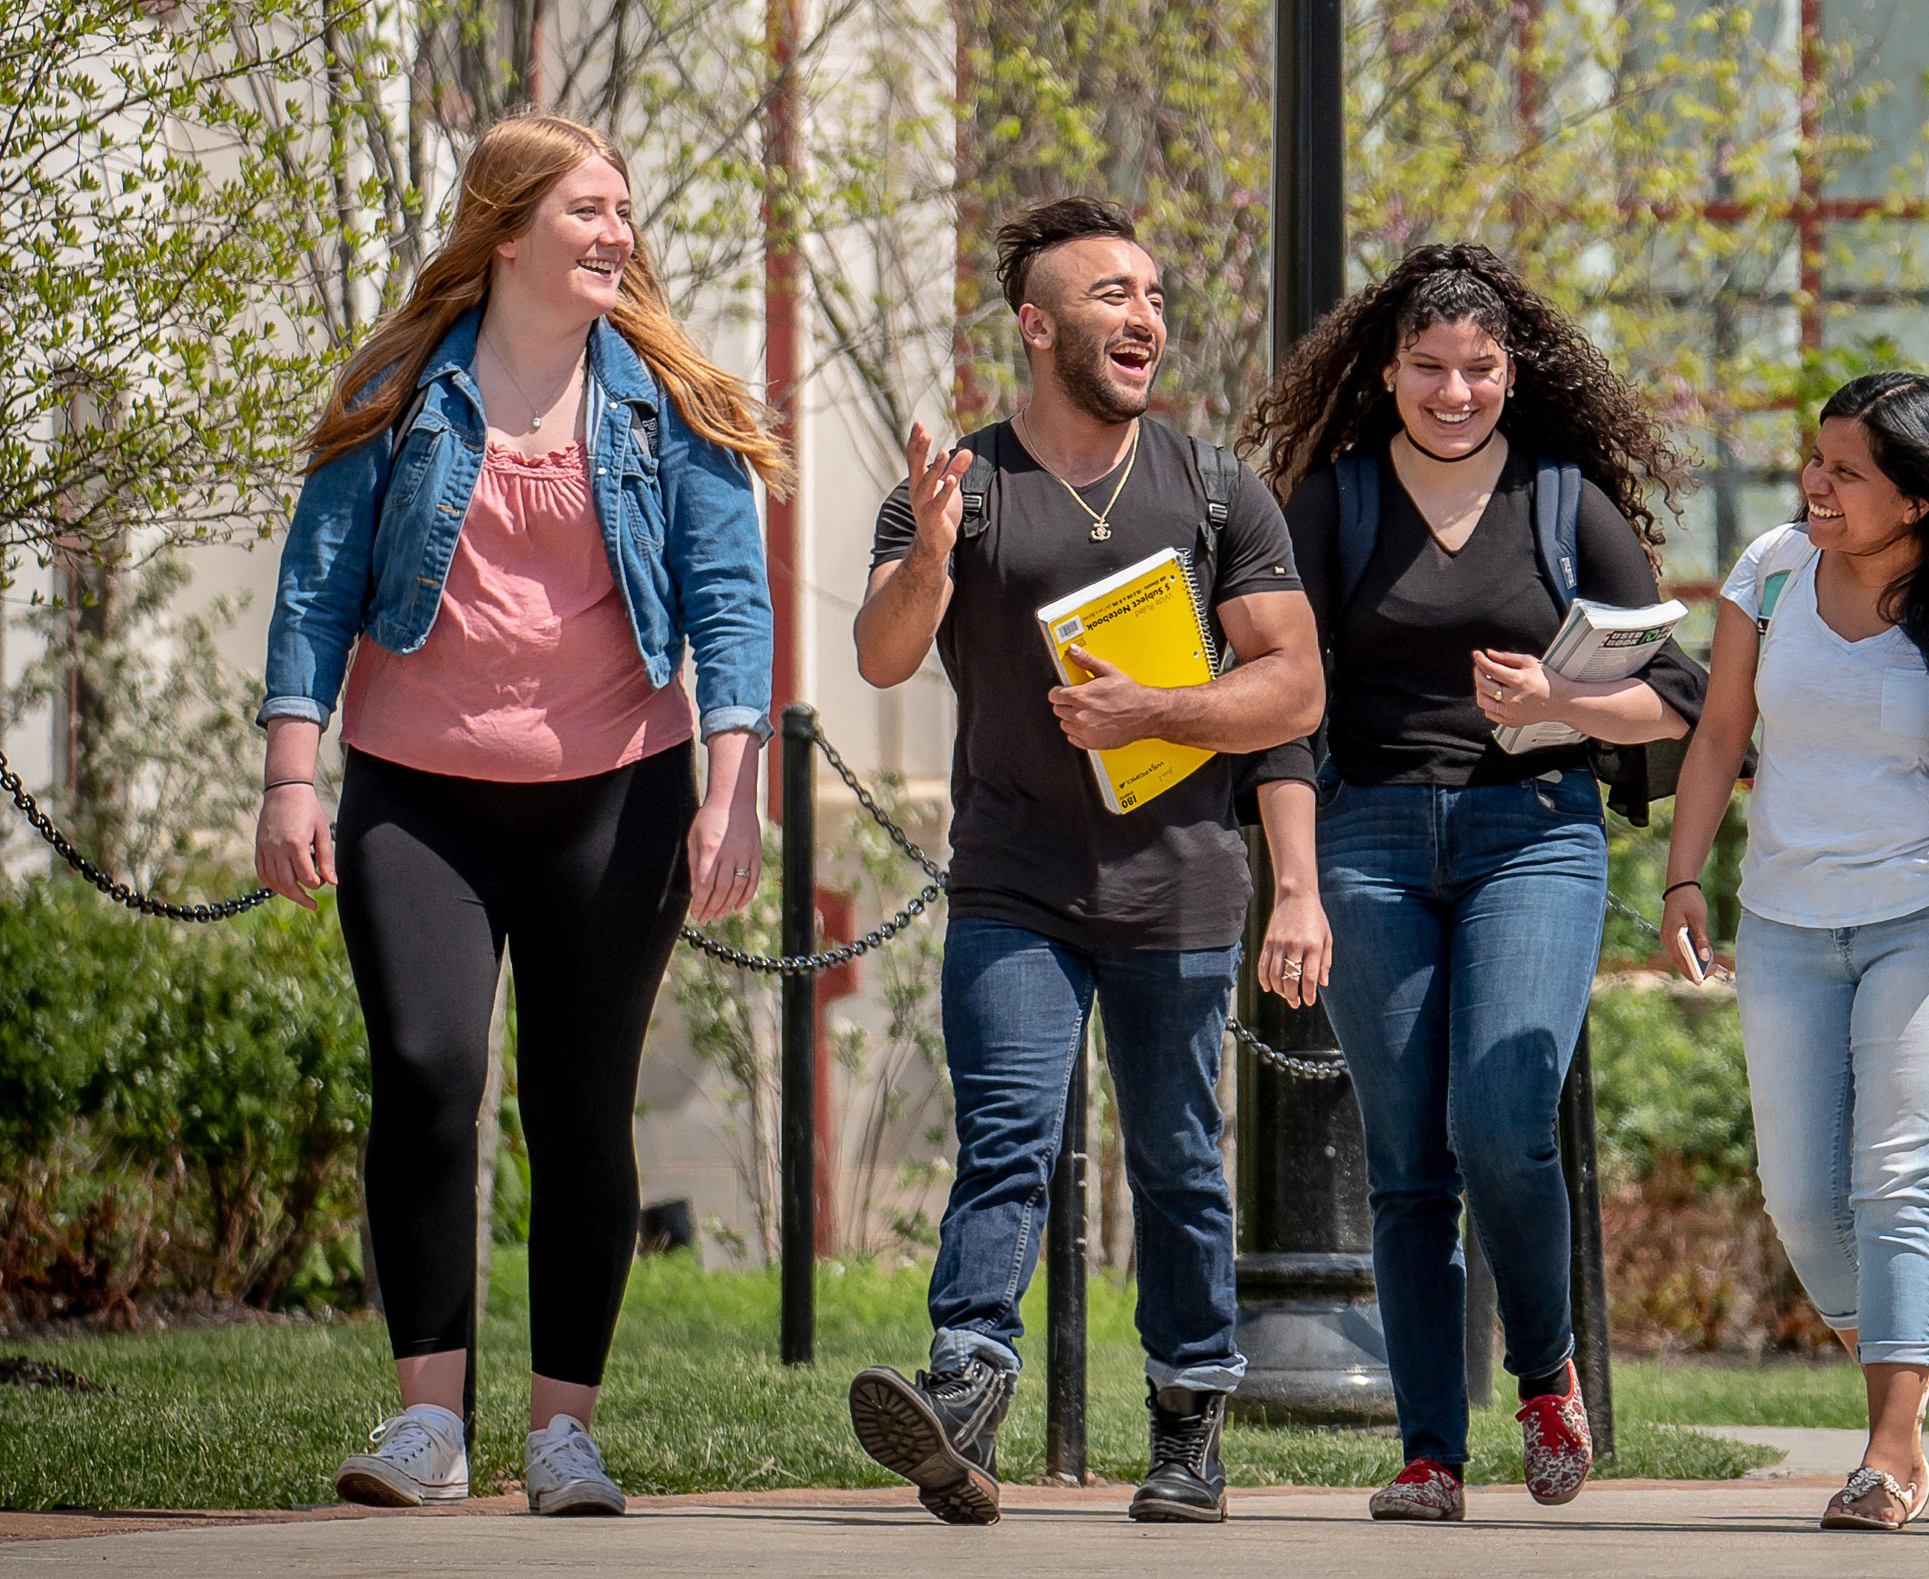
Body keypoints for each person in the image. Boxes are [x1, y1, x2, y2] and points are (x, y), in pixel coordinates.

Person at [255, 113, 780, 1517]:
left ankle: (563, 1432)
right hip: (416, 793)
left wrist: (733, 792)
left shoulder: (671, 402)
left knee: (578, 1105)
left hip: (615, 795)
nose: (616, 234)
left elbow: (732, 604)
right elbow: (315, 586)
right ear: (505, 231)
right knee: (428, 1069)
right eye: (585, 212)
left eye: (622, 210)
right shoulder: (399, 385)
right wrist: (291, 773)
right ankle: (428, 1425)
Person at [843, 196, 1325, 1526]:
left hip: (1179, 889)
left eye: (1153, 296)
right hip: (1011, 882)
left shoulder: (1217, 488)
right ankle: (963, 1392)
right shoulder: (961, 489)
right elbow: (882, 655)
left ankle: (1187, 1429)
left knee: (1177, 1156)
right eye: (1113, 295)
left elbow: (1293, 689)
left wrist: (1161, 712)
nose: (1145, 318)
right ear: (1038, 324)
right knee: (1004, 1140)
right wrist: (930, 559)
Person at [1238, 242, 1704, 1523]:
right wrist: (1294, 881)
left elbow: (1676, 692)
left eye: (1479, 369)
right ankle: (1428, 1453)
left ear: (1515, 370)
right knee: (1406, 1165)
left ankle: (1546, 1374)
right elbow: (1282, 692)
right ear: (1387, 372)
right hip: (1370, 838)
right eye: (1430, 369)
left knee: (1504, 1119)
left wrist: (1561, 698)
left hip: (1534, 833)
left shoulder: (1565, 498)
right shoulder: (1329, 504)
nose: (1455, 393)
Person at [1657, 372, 1929, 1532]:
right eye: (1815, 460)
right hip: (1785, 919)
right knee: (1803, 1200)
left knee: (1895, 1176)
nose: (1816, 485)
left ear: (1916, 499)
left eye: (1846, 470)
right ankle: (1899, 1351)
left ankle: (1889, 1445)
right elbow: (1721, 729)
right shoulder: (1770, 568)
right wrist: (1684, 873)